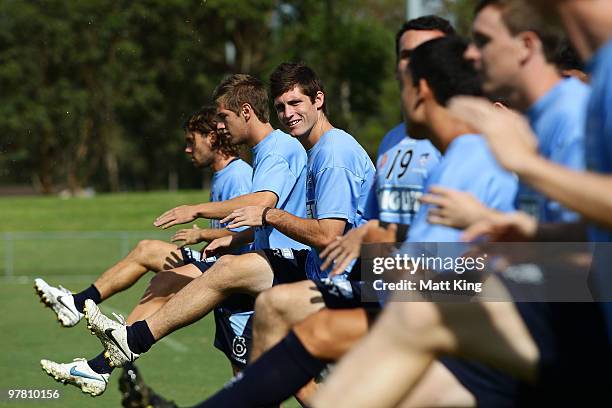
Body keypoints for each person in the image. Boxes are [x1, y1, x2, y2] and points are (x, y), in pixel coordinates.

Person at [312, 0, 612, 406]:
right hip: (486, 279)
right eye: (406, 57)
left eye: (481, 42)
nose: (469, 55)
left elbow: (430, 263)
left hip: (555, 295)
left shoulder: (491, 141)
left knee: (399, 309)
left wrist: (382, 259)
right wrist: (525, 233)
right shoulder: (395, 143)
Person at [197, 36, 522, 408]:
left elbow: (533, 266)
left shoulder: (479, 161)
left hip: (448, 319)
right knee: (279, 313)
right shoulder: (403, 150)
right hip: (398, 300)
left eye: (403, 87)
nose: (399, 98)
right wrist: (374, 234)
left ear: (423, 92)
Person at [83, 62, 375, 377]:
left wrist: (262, 215)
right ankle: (131, 340)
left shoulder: (332, 153)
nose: (288, 113)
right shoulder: (316, 151)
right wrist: (235, 237)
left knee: (290, 377)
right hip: (320, 269)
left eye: (295, 103)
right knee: (228, 275)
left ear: (318, 100)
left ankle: (107, 331)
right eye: (281, 106)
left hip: (356, 279)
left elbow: (327, 235)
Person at [40, 72, 310, 395]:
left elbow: (261, 204)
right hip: (258, 274)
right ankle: (105, 352)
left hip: (273, 273)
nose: (220, 127)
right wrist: (230, 237)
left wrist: (196, 212)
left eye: (223, 117)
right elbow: (262, 220)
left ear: (246, 112)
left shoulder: (274, 151)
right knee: (267, 388)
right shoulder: (266, 151)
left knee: (281, 387)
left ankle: (114, 348)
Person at [420, 0, 589, 235]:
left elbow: (590, 249)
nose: (470, 54)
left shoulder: (574, 117)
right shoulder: (536, 119)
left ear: (526, 46)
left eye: (483, 41)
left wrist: (486, 217)